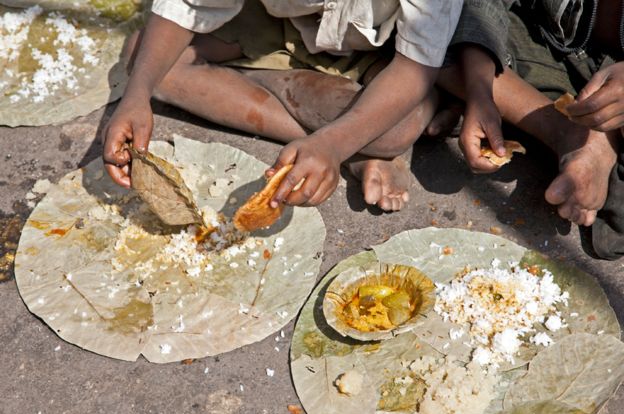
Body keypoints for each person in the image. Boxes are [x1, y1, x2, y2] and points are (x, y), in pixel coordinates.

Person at [102, 0, 463, 212]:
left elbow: (413, 68)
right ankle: (351, 142)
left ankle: (350, 139)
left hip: (378, 52)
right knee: (143, 60)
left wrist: (332, 145)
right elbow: (187, 7)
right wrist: (136, 96)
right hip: (278, 24)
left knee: (393, 133)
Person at [437, 0, 624, 259]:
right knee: (426, 26)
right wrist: (480, 92)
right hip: (541, 39)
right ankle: (566, 131)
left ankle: (601, 135)